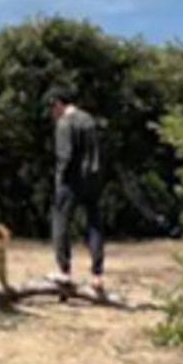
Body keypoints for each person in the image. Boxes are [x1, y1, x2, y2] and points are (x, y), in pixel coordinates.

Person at [46, 85, 111, 303]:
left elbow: (65, 156)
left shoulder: (65, 123)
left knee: (60, 223)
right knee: (94, 225)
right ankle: (97, 275)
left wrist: (59, 181)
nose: (51, 113)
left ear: (58, 104)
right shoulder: (89, 120)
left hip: (71, 181)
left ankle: (64, 271)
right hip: (93, 180)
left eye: (51, 108)